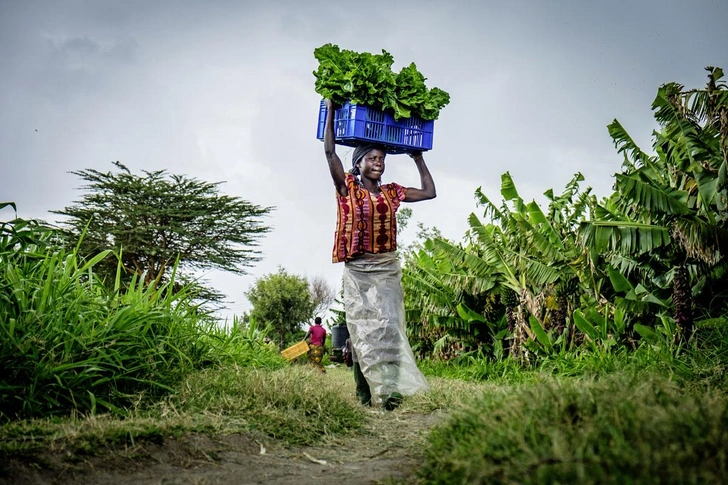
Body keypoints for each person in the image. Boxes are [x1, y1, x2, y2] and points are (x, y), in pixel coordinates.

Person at [323, 99, 435, 410]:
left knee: (389, 329)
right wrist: (331, 109)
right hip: (358, 270)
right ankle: (364, 394)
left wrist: (417, 158)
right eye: (371, 158)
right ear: (358, 164)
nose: (378, 162)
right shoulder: (347, 188)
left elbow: (429, 192)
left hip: (386, 268)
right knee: (361, 332)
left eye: (381, 158)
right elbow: (330, 152)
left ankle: (390, 395)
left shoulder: (391, 192)